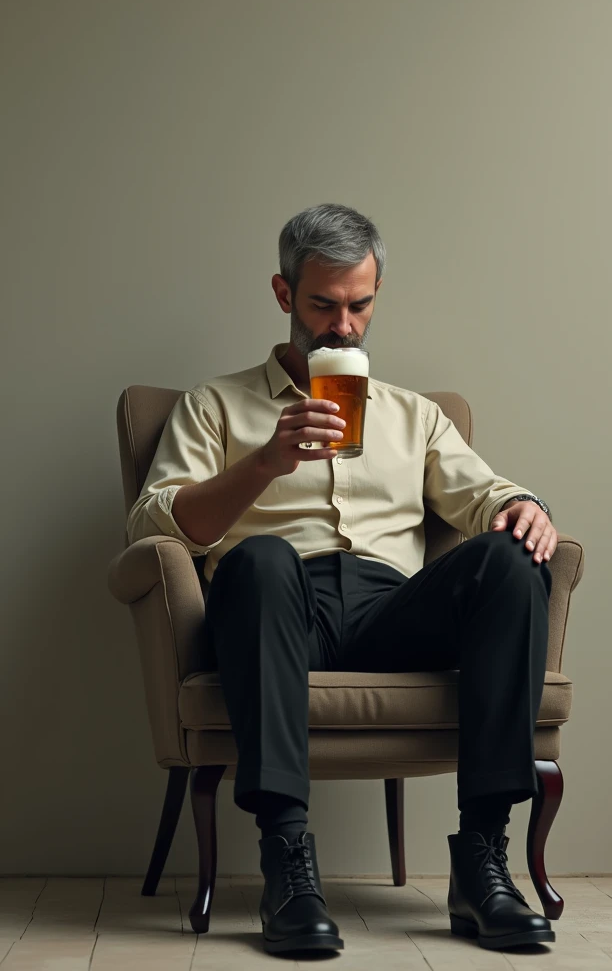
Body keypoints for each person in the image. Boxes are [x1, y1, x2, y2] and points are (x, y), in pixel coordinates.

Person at [128, 203, 558, 955]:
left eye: (360, 305)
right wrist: (265, 462)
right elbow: (153, 524)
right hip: (272, 611)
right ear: (283, 293)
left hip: (391, 611)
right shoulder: (215, 405)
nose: (344, 327)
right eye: (324, 304)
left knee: (510, 556)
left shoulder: (413, 415)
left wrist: (525, 506)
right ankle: (287, 861)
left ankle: (483, 861)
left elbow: (482, 492)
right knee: (260, 557)